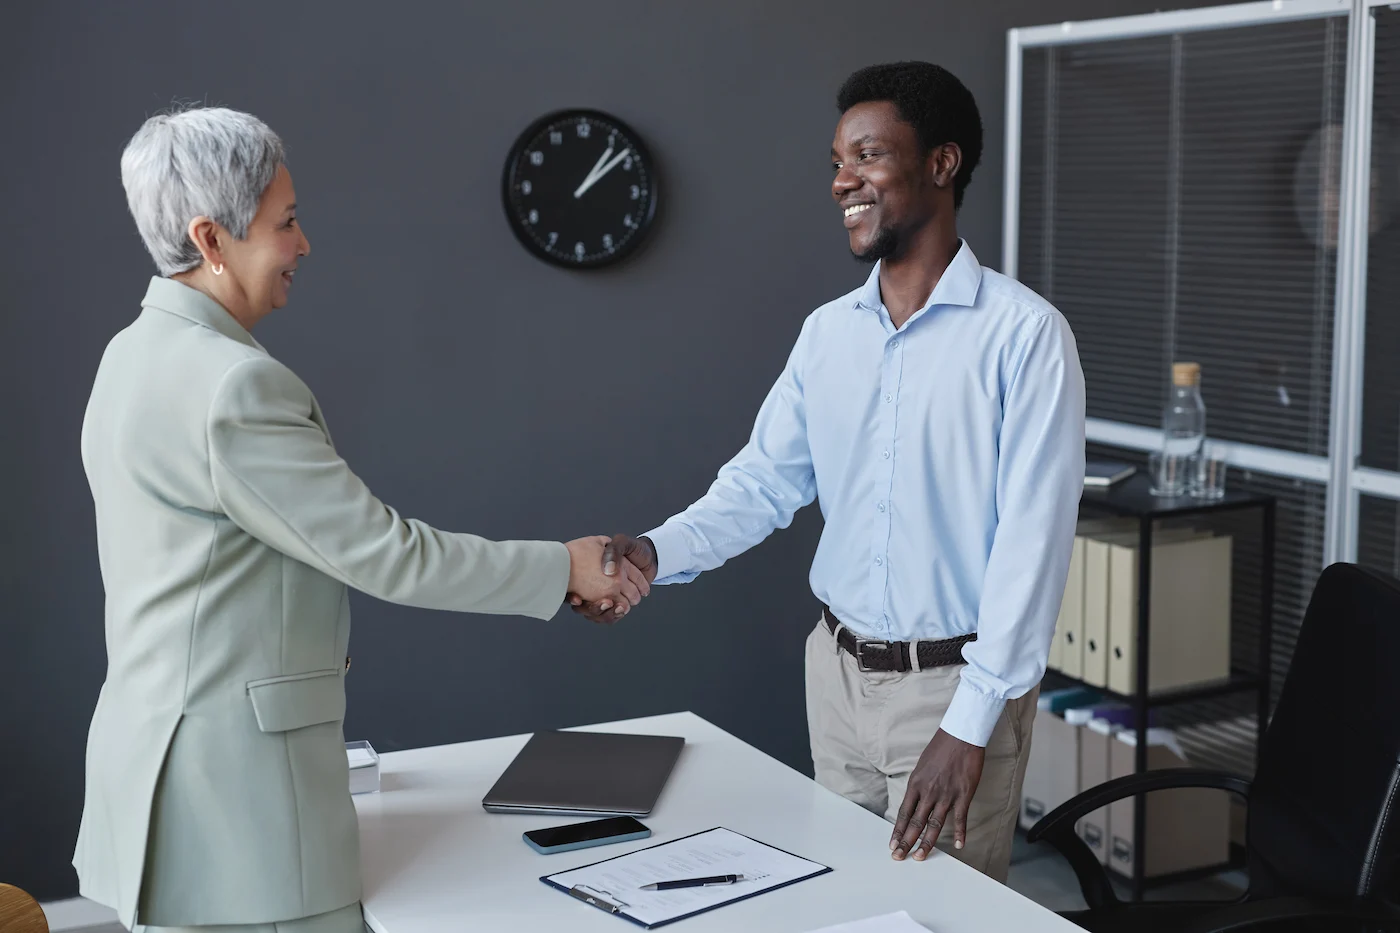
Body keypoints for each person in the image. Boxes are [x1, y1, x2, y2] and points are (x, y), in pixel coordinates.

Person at [75, 106, 649, 933]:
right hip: (240, 816)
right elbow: (384, 552)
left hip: (160, 780)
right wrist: (564, 567)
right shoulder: (233, 386)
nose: (304, 244)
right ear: (210, 239)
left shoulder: (129, 354)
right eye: (286, 221)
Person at [572, 62, 1085, 883]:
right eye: (838, 161)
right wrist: (655, 553)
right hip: (837, 675)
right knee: (844, 901)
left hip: (950, 688)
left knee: (933, 913)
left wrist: (970, 722)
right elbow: (762, 484)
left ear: (942, 163)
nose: (843, 180)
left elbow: (1033, 548)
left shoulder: (1024, 337)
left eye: (868, 156)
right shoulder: (828, 333)